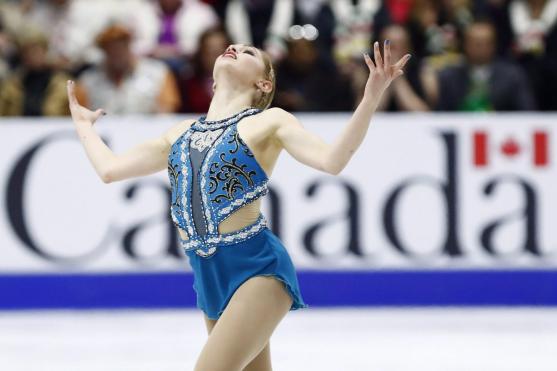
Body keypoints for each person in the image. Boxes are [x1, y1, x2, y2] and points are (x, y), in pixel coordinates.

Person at [66, 40, 410, 371]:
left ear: (263, 83)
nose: (235, 49)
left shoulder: (270, 122)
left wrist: (370, 97)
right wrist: (84, 127)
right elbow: (110, 170)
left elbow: (332, 161)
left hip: (257, 269)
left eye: (249, 52)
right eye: (233, 48)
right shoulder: (180, 133)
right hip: (208, 275)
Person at [78, 24, 180, 114]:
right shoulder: (88, 81)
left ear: (129, 45)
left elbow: (167, 111)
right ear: (104, 51)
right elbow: (81, 116)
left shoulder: (158, 73)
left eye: (120, 47)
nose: (117, 53)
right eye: (111, 49)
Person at [436, 21, 536, 111]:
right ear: (465, 44)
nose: (481, 49)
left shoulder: (512, 76)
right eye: (477, 44)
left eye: (486, 43)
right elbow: (440, 114)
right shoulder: (449, 77)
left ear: (494, 45)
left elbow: (526, 111)